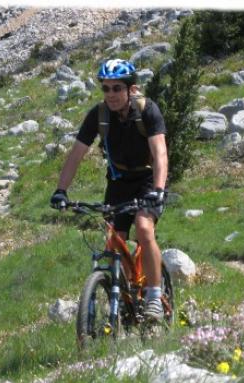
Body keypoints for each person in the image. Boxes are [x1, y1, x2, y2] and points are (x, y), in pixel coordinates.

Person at [50, 59, 168, 321]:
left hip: (148, 179)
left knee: (144, 229)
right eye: (106, 88)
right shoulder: (98, 115)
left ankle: (153, 298)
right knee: (114, 240)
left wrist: (158, 189)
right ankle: (123, 294)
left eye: (117, 88)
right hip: (118, 182)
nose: (111, 94)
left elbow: (160, 153)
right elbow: (76, 154)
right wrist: (61, 190)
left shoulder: (148, 111)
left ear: (131, 89)